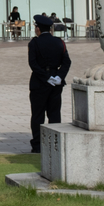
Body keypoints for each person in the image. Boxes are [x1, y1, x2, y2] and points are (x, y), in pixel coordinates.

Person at [28, 14, 72, 154]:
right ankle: (54, 144)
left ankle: (37, 145)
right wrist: (59, 76)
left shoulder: (34, 43)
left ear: (38, 29)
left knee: (38, 115)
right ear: (50, 29)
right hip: (56, 82)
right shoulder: (59, 42)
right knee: (54, 114)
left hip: (39, 82)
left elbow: (33, 64)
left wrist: (46, 77)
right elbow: (67, 62)